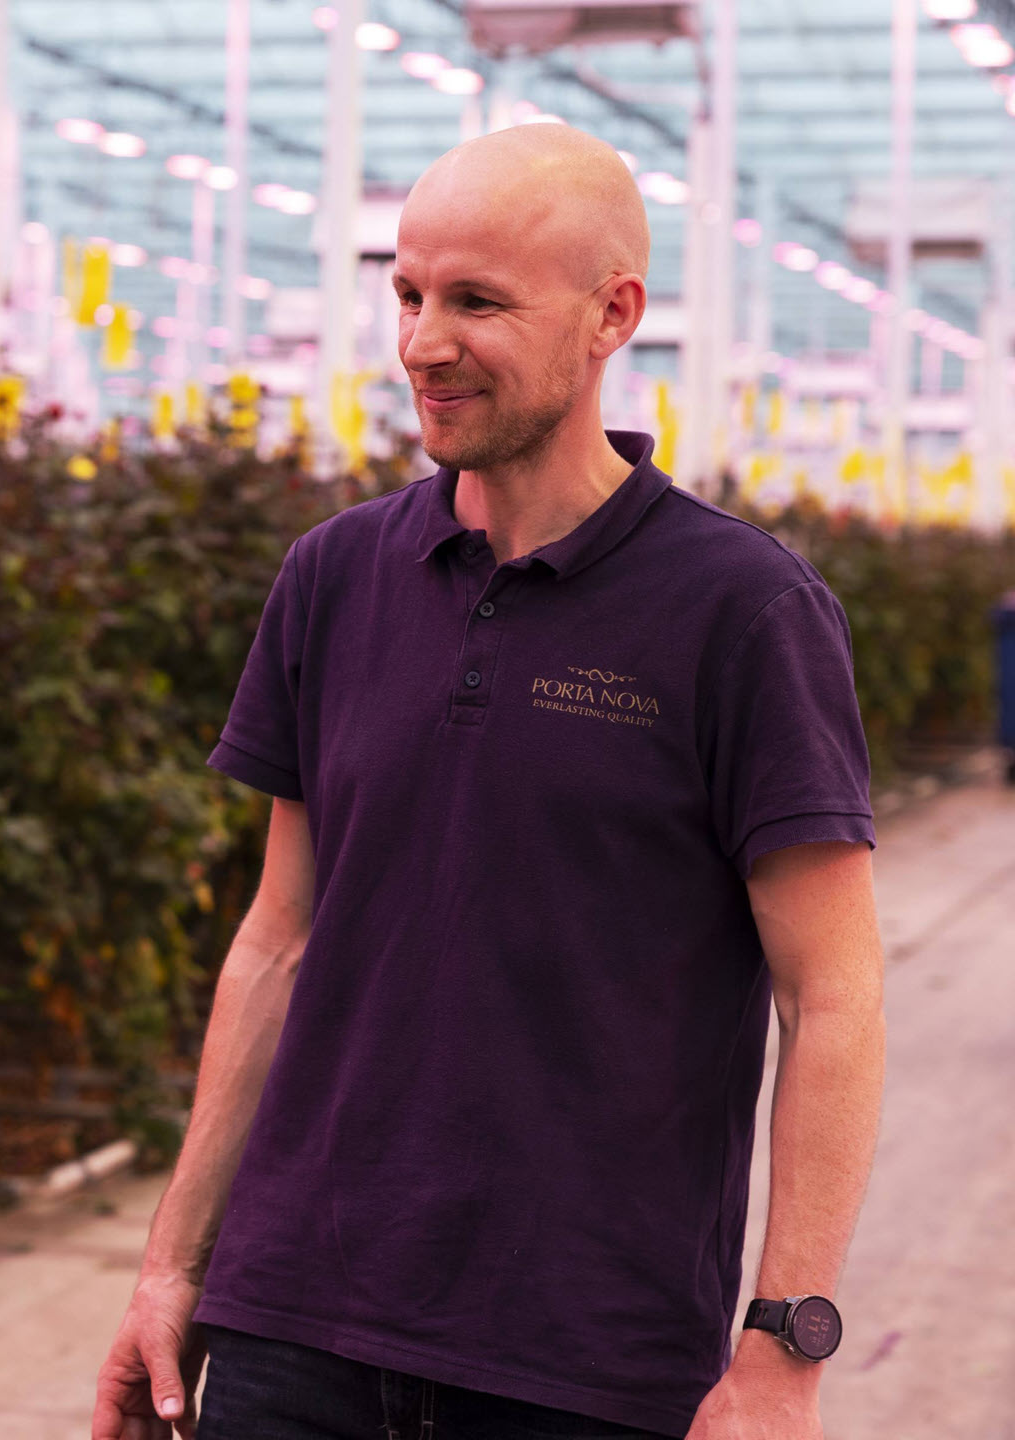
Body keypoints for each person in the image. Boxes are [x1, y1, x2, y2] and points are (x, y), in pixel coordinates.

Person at [95, 125, 886, 1440]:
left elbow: (834, 995)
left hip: (586, 1359)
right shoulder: (333, 578)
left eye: (477, 301)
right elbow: (276, 944)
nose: (421, 341)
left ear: (611, 316)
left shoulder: (742, 612)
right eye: (409, 293)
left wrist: (783, 1352)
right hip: (297, 1324)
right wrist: (173, 1268)